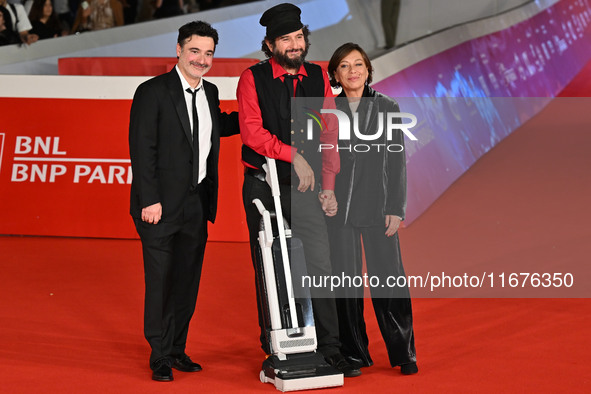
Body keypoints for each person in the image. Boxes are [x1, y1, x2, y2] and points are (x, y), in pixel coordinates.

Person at [236, 2, 360, 378]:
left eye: (298, 37)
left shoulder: (317, 75)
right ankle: (275, 345)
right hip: (264, 186)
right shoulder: (251, 78)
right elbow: (252, 133)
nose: (294, 44)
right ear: (270, 44)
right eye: (285, 39)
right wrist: (293, 156)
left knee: (320, 264)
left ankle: (331, 348)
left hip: (307, 189)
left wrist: (329, 185)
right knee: (271, 264)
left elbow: (328, 132)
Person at [129, 20, 239, 382]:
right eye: (195, 51)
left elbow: (215, 126)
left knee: (187, 280)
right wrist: (150, 199)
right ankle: (159, 354)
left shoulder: (209, 92)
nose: (202, 59)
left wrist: (258, 118)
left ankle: (177, 348)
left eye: (208, 53)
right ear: (178, 50)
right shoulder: (153, 91)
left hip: (196, 203)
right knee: (160, 280)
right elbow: (142, 149)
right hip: (159, 206)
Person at [326, 42, 418, 375]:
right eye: (345, 66)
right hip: (338, 213)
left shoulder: (387, 107)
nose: (353, 72)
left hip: (378, 207)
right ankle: (353, 353)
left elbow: (397, 163)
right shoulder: (326, 110)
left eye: (359, 65)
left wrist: (396, 207)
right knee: (344, 284)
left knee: (389, 280)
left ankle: (404, 351)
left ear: (368, 70)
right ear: (336, 73)